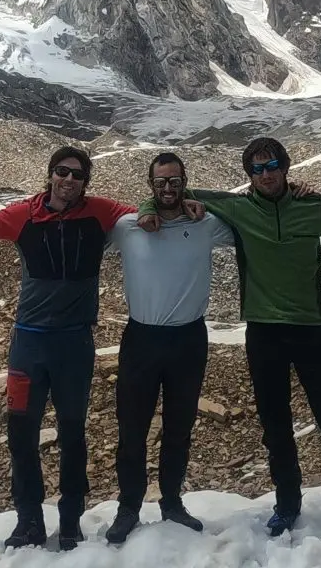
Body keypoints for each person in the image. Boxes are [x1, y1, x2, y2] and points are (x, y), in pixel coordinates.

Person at [0, 146, 200, 552]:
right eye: (62, 172)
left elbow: (150, 207)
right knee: (21, 435)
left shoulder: (100, 211)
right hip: (29, 344)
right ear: (51, 174)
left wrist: (188, 201)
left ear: (85, 182)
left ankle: (71, 522)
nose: (69, 180)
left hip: (74, 344)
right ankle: (29, 522)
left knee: (73, 436)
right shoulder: (23, 215)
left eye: (77, 175)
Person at [137, 138, 321, 537]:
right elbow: (171, 192)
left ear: (286, 167)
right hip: (263, 332)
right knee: (275, 426)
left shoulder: (312, 207)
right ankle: (287, 505)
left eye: (272, 165)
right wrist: (148, 207)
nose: (266, 174)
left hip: (312, 328)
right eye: (257, 169)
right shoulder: (238, 208)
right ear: (249, 175)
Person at [102, 152, 235, 546]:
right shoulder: (128, 227)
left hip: (188, 339)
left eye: (175, 181)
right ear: (150, 186)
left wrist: (203, 200)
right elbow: (86, 226)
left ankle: (172, 501)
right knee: (132, 428)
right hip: (141, 338)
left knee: (179, 427)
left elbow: (247, 210)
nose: (167, 188)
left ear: (185, 182)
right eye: (160, 182)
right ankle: (129, 507)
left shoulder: (205, 223)